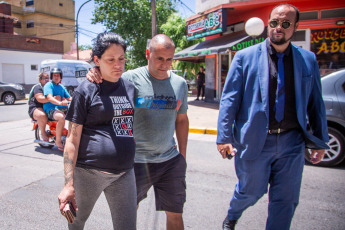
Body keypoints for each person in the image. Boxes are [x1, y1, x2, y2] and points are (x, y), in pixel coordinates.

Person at [216, 4, 329, 230]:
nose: (279, 27)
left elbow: (316, 102)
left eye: (286, 24)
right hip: (255, 139)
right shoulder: (244, 57)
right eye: (275, 23)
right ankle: (233, 214)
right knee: (251, 191)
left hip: (292, 142)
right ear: (268, 24)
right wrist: (223, 137)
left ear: (295, 27)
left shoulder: (308, 59)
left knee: (285, 200)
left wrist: (320, 140)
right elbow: (230, 99)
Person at [87, 34, 189, 230]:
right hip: (135, 162)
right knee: (127, 214)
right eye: (159, 58)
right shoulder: (130, 79)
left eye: (169, 59)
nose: (165, 64)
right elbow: (107, 78)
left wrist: (182, 156)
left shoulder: (180, 84)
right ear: (148, 54)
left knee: (176, 213)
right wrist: (94, 71)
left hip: (170, 161)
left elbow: (182, 119)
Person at [58, 32, 137, 229]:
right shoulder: (86, 90)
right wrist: (69, 184)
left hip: (124, 173)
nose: (118, 65)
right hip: (88, 173)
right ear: (96, 60)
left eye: (121, 59)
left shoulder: (130, 88)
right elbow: (72, 140)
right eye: (110, 60)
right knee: (76, 223)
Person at [43, 68, 72, 150]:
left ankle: (71, 136)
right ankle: (58, 141)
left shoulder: (61, 86)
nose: (56, 77)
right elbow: (49, 97)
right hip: (50, 109)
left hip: (61, 108)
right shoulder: (48, 85)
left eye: (58, 75)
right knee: (61, 117)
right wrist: (59, 102)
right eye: (54, 75)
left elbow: (69, 97)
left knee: (76, 114)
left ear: (60, 77)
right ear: (52, 76)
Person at [28, 72, 50, 142]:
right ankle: (43, 133)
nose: (47, 80)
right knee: (42, 115)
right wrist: (53, 98)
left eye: (48, 78)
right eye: (45, 78)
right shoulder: (38, 87)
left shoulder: (50, 87)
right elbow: (40, 99)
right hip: (36, 107)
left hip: (47, 107)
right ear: (40, 80)